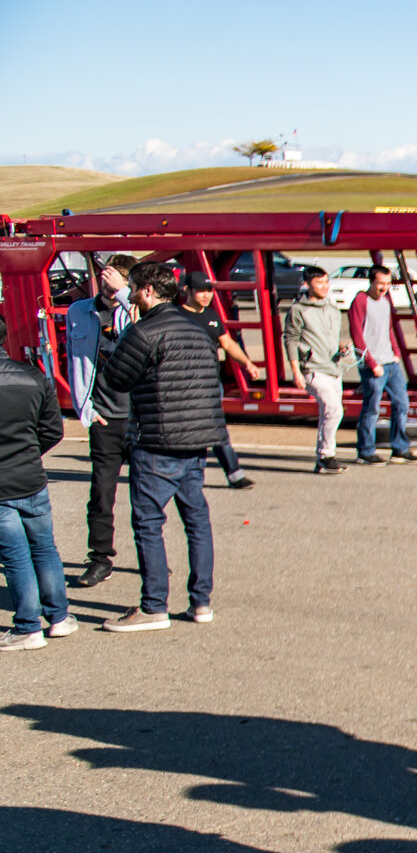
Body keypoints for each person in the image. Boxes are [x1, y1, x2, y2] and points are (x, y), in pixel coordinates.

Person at [97, 260, 223, 632]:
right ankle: (201, 602)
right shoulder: (198, 329)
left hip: (157, 439)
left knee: (149, 523)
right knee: (196, 521)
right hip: (197, 440)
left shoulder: (144, 331)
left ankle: (154, 605)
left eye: (135, 288)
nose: (133, 295)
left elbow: (115, 379)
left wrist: (127, 333)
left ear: (148, 291)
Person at [0, 315, 72, 650]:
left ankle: (28, 626)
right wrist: (31, 452)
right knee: (44, 547)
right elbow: (53, 431)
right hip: (31, 475)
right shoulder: (33, 377)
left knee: (15, 556)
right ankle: (58, 617)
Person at [67, 254, 136, 588]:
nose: (109, 284)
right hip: (104, 417)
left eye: (118, 279)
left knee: (148, 495)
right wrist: (85, 409)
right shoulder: (79, 311)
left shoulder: (137, 309)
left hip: (139, 418)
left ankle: (152, 557)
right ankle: (99, 558)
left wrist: (123, 293)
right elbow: (74, 361)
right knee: (101, 493)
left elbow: (142, 327)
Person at [178, 271, 259, 490]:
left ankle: (233, 474)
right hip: (184, 386)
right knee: (194, 431)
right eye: (201, 291)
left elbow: (228, 344)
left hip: (210, 385)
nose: (206, 295)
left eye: (209, 291)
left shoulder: (211, 316)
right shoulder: (176, 316)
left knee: (215, 428)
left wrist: (247, 363)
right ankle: (192, 475)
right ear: (187, 291)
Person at [282, 266, 354, 475]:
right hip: (313, 369)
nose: (324, 286)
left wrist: (341, 347)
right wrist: (295, 370)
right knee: (334, 409)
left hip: (333, 368)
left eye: (326, 282)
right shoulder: (298, 310)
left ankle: (323, 458)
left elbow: (330, 338)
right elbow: (291, 339)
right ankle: (326, 455)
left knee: (329, 413)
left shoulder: (332, 308)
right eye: (319, 283)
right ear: (307, 284)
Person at [349, 267, 416, 465]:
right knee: (372, 408)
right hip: (374, 365)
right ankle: (365, 450)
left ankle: (400, 448)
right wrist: (371, 363)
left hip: (390, 362)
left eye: (387, 284)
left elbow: (388, 330)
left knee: (402, 403)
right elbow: (357, 336)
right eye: (380, 284)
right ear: (371, 282)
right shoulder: (361, 301)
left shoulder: (385, 301)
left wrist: (396, 354)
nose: (384, 288)